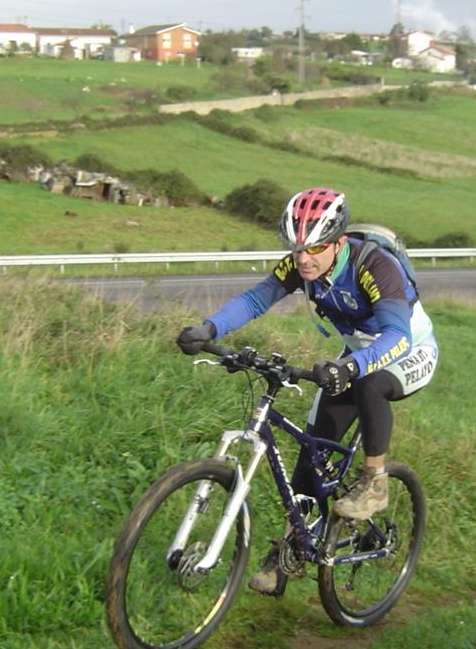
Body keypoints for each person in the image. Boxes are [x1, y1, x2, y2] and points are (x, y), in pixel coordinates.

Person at [176, 187, 439, 595]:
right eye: (296, 249)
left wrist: (350, 366)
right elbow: (257, 299)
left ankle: (375, 482)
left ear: (338, 242)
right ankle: (291, 551)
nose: (303, 259)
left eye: (314, 248)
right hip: (357, 355)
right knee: (312, 453)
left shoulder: (375, 266)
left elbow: (397, 335)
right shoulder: (301, 265)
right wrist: (209, 328)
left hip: (409, 349)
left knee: (370, 385)